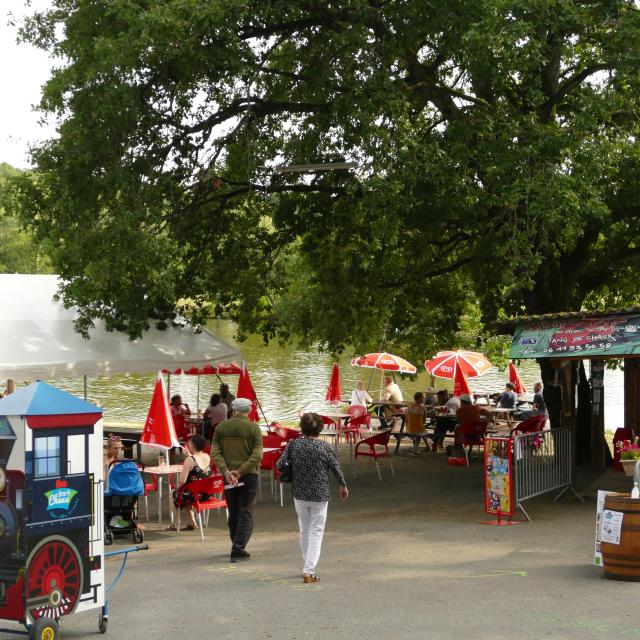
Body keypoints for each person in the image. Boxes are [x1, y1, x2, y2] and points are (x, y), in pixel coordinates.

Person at [275, 412, 348, 583]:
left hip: (299, 493)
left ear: (302, 427)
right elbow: (336, 467)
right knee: (316, 531)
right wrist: (343, 484)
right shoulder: (323, 447)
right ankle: (309, 570)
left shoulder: (294, 445)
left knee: (304, 529)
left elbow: (279, 464)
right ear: (320, 428)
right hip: (320, 493)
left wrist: (292, 466)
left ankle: (307, 565)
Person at [210, 397, 263, 562]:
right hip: (248, 476)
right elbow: (257, 455)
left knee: (233, 511)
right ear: (248, 411)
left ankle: (236, 542)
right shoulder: (253, 428)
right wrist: (240, 472)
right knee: (246, 511)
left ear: (233, 410)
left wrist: (227, 472)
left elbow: (215, 453)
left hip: (228, 477)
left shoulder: (221, 427)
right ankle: (238, 547)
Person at [167, 434, 212, 532]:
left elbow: (182, 481)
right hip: (206, 493)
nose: (188, 444)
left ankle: (176, 523)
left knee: (173, 493)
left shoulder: (189, 460)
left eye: (190, 442)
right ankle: (192, 523)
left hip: (194, 494)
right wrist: (189, 456)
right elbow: (197, 463)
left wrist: (177, 487)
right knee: (187, 493)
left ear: (193, 446)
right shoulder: (206, 456)